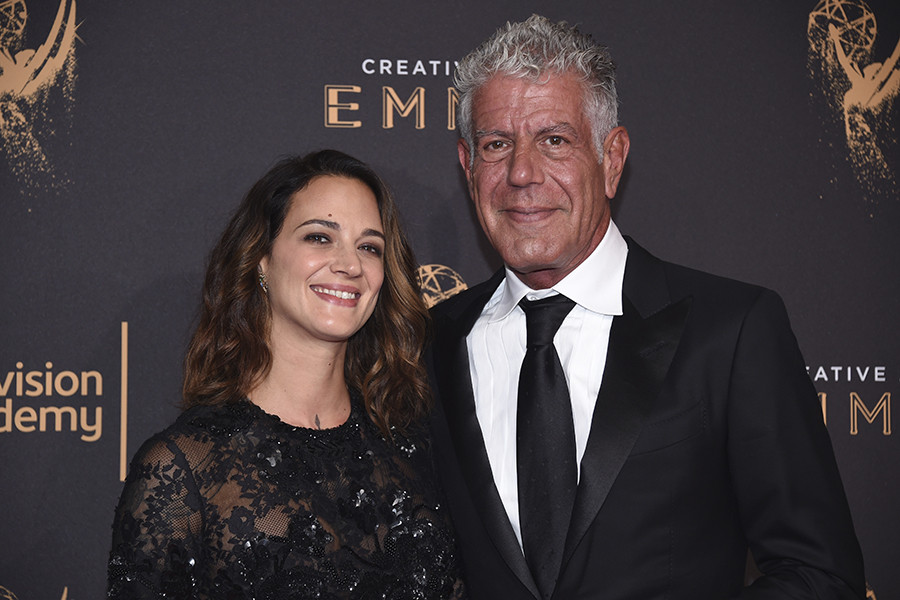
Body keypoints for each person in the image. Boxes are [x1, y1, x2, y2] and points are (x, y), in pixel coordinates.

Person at [427, 15, 865, 600]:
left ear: (612, 158)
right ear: (467, 165)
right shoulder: (429, 343)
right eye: (496, 145)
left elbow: (820, 575)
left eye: (554, 140)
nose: (521, 173)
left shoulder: (731, 331)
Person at [108, 150, 466, 599]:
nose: (350, 265)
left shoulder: (416, 447)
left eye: (369, 247)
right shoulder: (182, 471)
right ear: (260, 259)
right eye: (319, 237)